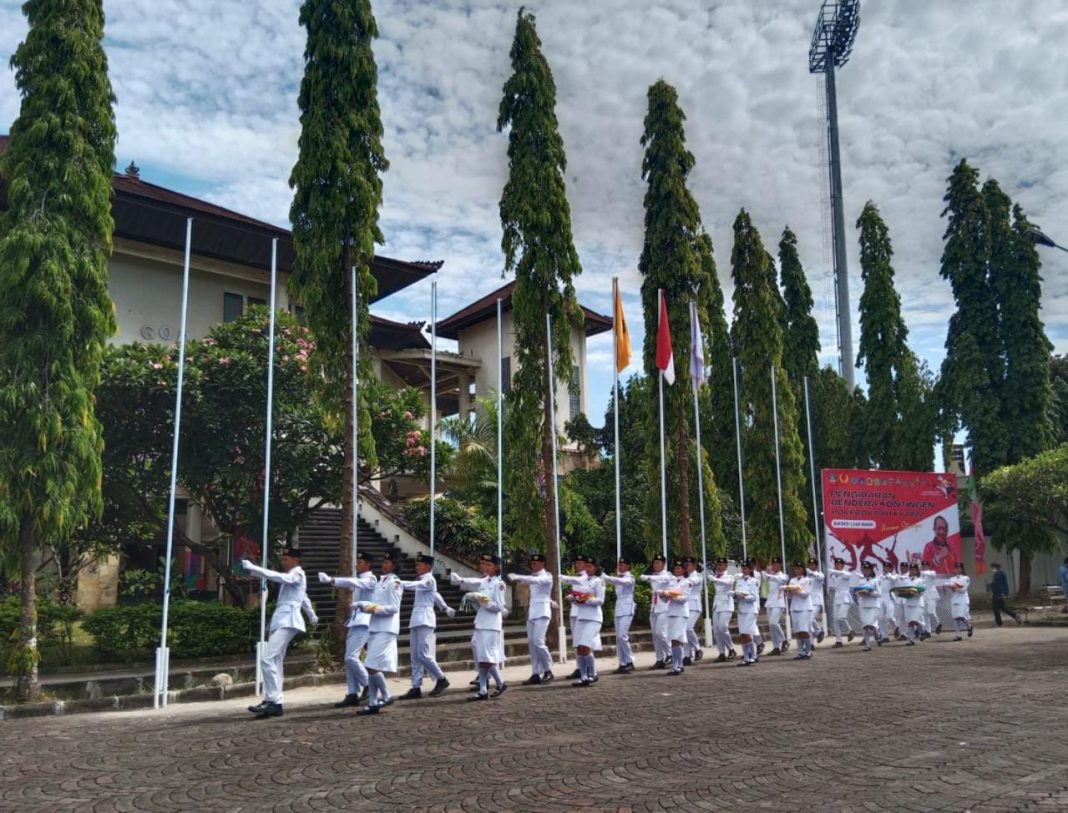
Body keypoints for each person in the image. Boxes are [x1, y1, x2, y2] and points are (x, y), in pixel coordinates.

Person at [242, 547, 314, 718]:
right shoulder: (295, 578)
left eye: (286, 559)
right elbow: (304, 598)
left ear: (296, 560)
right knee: (275, 661)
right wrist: (312, 615)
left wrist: (255, 569)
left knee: (267, 658)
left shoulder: (297, 574)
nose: (283, 562)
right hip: (281, 620)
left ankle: (274, 700)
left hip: (288, 620)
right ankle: (272, 701)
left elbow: (281, 578)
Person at [319, 551, 376, 708]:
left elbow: (352, 583)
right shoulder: (360, 579)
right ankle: (352, 693)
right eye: (357, 561)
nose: (357, 564)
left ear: (368, 564)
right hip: (355, 621)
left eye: (361, 562)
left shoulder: (371, 579)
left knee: (351, 657)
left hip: (364, 621)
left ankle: (369, 685)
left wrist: (332, 580)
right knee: (348, 658)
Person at [451, 554, 508, 701]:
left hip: (491, 625)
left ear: (496, 567)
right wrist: (474, 599)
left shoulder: (499, 584)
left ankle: (500, 682)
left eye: (489, 565)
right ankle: (483, 689)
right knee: (480, 657)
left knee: (486, 659)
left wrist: (484, 600)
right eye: (484, 564)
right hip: (481, 622)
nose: (485, 567)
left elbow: (499, 607)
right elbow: (479, 604)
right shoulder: (484, 582)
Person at [397, 553, 450, 700]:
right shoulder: (423, 579)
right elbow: (436, 595)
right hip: (416, 618)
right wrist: (444, 607)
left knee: (424, 654)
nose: (417, 567)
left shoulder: (429, 580)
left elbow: (417, 586)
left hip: (426, 619)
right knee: (414, 655)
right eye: (416, 565)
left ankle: (441, 678)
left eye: (420, 565)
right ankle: (416, 687)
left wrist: (400, 583)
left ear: (428, 566)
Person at [356, 552, 403, 714]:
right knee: (372, 665)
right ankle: (373, 702)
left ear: (395, 565)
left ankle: (386, 695)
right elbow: (375, 602)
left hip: (386, 627)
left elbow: (393, 608)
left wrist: (373, 608)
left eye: (388, 562)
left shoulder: (394, 582)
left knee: (370, 664)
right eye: (384, 562)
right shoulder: (381, 581)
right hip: (375, 626)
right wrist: (364, 605)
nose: (384, 564)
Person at [507, 552, 555, 685]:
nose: (533, 565)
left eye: (535, 563)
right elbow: (533, 586)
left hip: (543, 613)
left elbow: (536, 581)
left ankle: (548, 670)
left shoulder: (547, 576)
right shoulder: (531, 577)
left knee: (539, 642)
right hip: (532, 613)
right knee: (532, 644)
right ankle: (535, 673)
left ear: (542, 564)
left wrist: (517, 576)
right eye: (532, 563)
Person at [562, 557, 605, 686]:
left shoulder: (599, 581)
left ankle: (593, 674)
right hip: (581, 616)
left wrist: (585, 599)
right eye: (586, 566)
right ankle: (584, 676)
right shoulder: (582, 580)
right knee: (579, 648)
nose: (587, 568)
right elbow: (577, 597)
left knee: (586, 646)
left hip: (593, 618)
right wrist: (574, 598)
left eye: (590, 566)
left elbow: (600, 600)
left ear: (596, 568)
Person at [603, 557, 636, 674]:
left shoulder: (630, 578)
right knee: (618, 638)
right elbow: (614, 581)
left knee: (622, 635)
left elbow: (620, 582)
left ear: (628, 566)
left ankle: (630, 661)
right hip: (619, 609)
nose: (620, 567)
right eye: (619, 565)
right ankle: (622, 663)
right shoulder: (618, 578)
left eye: (622, 565)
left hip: (627, 609)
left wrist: (606, 577)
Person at [658, 560, 691, 675]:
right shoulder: (671, 582)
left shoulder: (687, 582)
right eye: (676, 568)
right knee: (673, 640)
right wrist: (662, 595)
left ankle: (679, 665)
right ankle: (677, 664)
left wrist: (670, 595)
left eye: (680, 568)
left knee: (677, 639)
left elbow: (683, 599)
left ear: (684, 570)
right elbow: (665, 600)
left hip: (681, 613)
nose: (677, 570)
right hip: (671, 612)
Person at [640, 554, 673, 669]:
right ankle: (660, 659)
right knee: (655, 635)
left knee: (661, 632)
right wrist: (650, 577)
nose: (655, 565)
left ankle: (670, 654)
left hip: (664, 607)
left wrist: (649, 577)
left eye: (658, 563)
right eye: (654, 563)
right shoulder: (654, 575)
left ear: (663, 564)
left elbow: (663, 579)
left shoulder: (667, 575)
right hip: (654, 607)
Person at [732, 560, 761, 666]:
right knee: (742, 634)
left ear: (750, 569)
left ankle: (753, 656)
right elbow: (737, 598)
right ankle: (746, 656)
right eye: (743, 568)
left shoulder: (754, 581)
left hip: (750, 610)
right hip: (742, 609)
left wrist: (743, 596)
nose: (744, 570)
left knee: (747, 633)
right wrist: (735, 596)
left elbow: (753, 597)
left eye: (746, 568)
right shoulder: (739, 581)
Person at [708, 557, 737, 662]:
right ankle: (721, 653)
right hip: (717, 605)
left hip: (726, 604)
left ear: (726, 566)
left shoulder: (729, 576)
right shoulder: (716, 576)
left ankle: (731, 648)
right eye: (718, 565)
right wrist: (715, 578)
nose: (719, 567)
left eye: (722, 565)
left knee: (723, 627)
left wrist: (714, 579)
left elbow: (726, 583)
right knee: (716, 630)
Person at [785, 562, 815, 660]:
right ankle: (800, 652)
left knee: (804, 629)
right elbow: (789, 597)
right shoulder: (792, 580)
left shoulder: (808, 580)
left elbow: (806, 594)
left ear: (803, 569)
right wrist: (788, 591)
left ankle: (808, 650)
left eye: (799, 569)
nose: (797, 571)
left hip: (805, 607)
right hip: (794, 607)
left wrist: (797, 590)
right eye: (796, 569)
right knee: (797, 631)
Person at [852, 561, 882, 651]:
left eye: (867, 570)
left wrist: (870, 593)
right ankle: (867, 645)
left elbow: (879, 594)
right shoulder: (861, 581)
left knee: (871, 624)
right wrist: (859, 593)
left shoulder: (876, 580)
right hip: (863, 605)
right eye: (864, 570)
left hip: (873, 605)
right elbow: (857, 592)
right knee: (865, 626)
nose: (866, 572)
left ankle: (877, 634)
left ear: (871, 570)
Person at [762, 557, 789, 656]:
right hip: (770, 602)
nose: (774, 566)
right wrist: (767, 573)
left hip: (779, 602)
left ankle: (784, 640)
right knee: (771, 626)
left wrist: (768, 575)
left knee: (774, 623)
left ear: (780, 565)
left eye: (776, 564)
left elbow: (779, 580)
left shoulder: (784, 576)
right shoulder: (770, 575)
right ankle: (776, 647)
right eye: (773, 564)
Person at [827, 557, 855, 647]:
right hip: (837, 598)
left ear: (843, 565)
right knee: (835, 620)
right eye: (836, 565)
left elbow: (845, 574)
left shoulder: (846, 573)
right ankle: (838, 640)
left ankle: (850, 630)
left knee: (841, 617)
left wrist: (833, 571)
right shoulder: (834, 575)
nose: (837, 566)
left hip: (845, 598)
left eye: (839, 565)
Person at [895, 562, 926, 645]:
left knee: (915, 620)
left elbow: (922, 592)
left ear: (917, 570)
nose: (912, 571)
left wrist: (914, 592)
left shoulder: (920, 580)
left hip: (917, 603)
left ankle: (922, 631)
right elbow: (904, 590)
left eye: (914, 570)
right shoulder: (906, 580)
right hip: (908, 602)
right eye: (911, 569)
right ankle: (911, 640)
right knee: (909, 622)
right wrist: (901, 593)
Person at [683, 557, 704, 664]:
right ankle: (687, 655)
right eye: (686, 565)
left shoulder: (698, 576)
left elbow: (692, 581)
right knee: (684, 630)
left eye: (689, 565)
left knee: (688, 628)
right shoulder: (684, 576)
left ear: (694, 566)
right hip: (684, 606)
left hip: (694, 606)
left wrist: (683, 580)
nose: (687, 567)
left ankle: (697, 648)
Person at [988, 562, 1021, 627]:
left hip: (997, 594)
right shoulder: (1002, 573)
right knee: (1002, 607)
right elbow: (1004, 584)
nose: (992, 569)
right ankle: (1015, 615)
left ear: (995, 567)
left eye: (992, 568)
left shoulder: (998, 574)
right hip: (1000, 593)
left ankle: (999, 623)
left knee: (995, 609)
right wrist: (1005, 593)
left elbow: (998, 584)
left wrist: (992, 586)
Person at [946, 562, 973, 640]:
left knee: (961, 616)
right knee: (955, 618)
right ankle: (958, 635)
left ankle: (969, 626)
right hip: (954, 599)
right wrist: (952, 587)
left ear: (962, 569)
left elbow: (963, 590)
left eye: (959, 568)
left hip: (963, 600)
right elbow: (949, 588)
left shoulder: (966, 578)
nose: (957, 570)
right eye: (956, 568)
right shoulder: (952, 579)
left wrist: (954, 587)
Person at [919, 560, 942, 638]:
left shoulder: (932, 573)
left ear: (928, 567)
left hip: (932, 595)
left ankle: (938, 623)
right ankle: (927, 631)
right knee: (925, 614)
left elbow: (931, 574)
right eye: (923, 566)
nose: (924, 567)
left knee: (931, 611)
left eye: (926, 566)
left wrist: (922, 571)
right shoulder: (920, 575)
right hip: (924, 595)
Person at [806, 558, 827, 643]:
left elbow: (818, 578)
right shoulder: (807, 576)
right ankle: (818, 631)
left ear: (816, 566)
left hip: (816, 601)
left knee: (809, 620)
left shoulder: (820, 574)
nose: (811, 567)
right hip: (808, 601)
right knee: (808, 619)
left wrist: (810, 572)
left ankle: (811, 643)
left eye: (813, 565)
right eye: (809, 565)